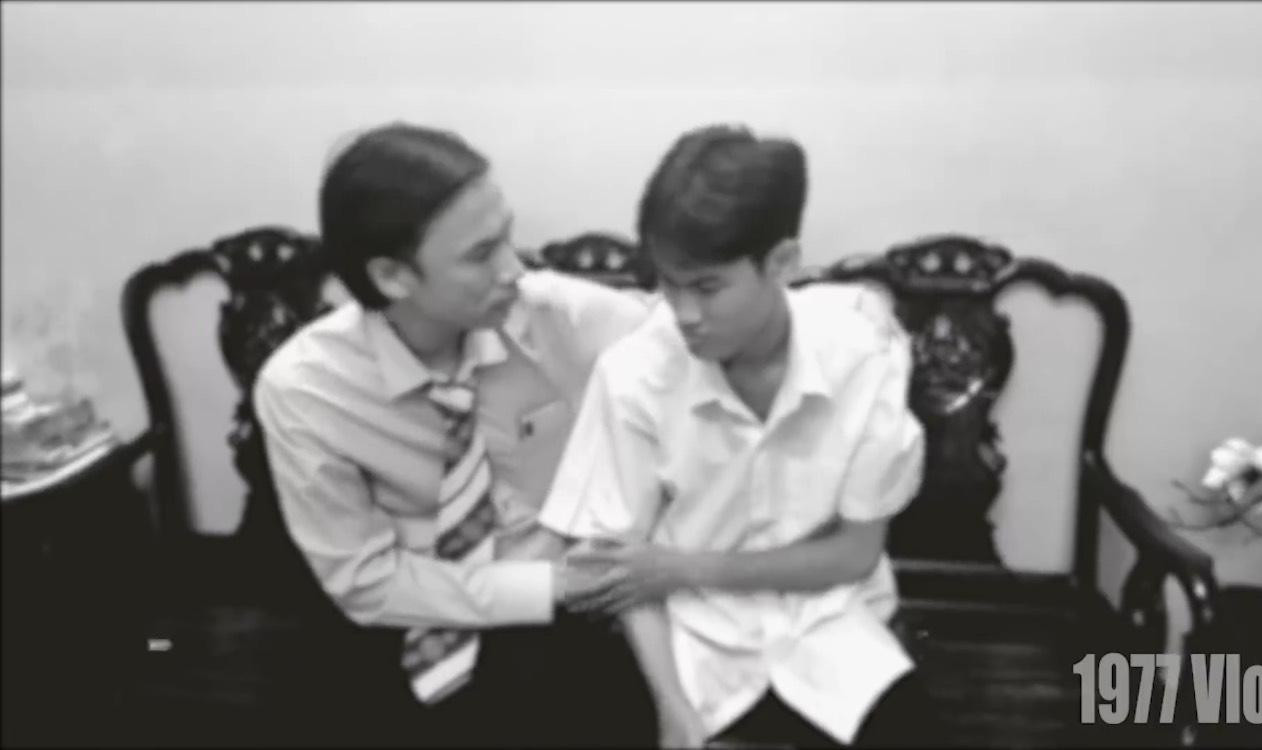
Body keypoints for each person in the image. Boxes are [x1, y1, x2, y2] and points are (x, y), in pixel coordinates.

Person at [252, 122, 658, 746]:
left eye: (507, 237)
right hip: (408, 618)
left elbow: (690, 355)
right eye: (481, 254)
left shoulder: (562, 318)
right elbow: (365, 582)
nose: (515, 269)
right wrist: (552, 585)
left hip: (570, 619)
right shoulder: (306, 390)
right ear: (393, 277)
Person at [538, 124, 934, 748]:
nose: (683, 314)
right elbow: (623, 573)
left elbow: (855, 552)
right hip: (686, 640)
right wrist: (673, 709)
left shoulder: (863, 352)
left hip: (829, 626)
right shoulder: (635, 373)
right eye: (668, 284)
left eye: (707, 287)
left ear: (781, 263)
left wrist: (682, 567)